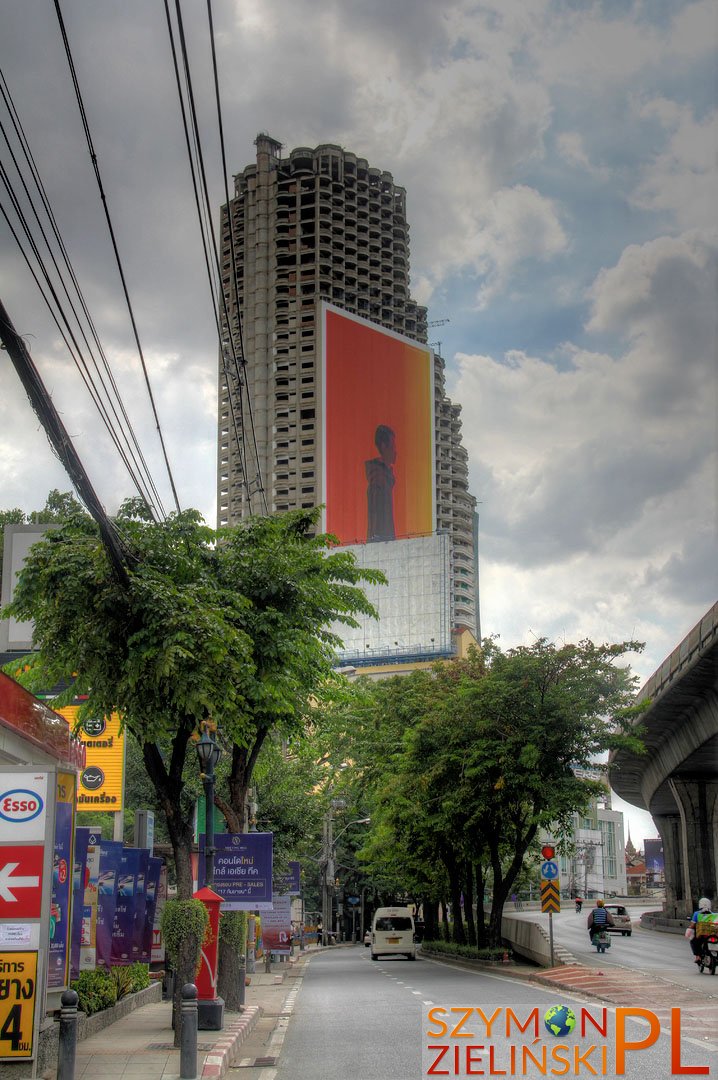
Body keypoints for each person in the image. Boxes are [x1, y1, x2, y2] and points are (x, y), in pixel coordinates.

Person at [366, 425, 396, 542]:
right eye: (393, 446)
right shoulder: (378, 480)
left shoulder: (385, 477)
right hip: (381, 545)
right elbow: (376, 520)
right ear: (384, 446)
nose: (395, 451)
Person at [687, 897, 716, 963]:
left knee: (693, 941)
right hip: (713, 934)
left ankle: (698, 957)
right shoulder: (714, 914)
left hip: (701, 935)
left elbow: (692, 925)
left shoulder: (696, 914)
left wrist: (690, 928)